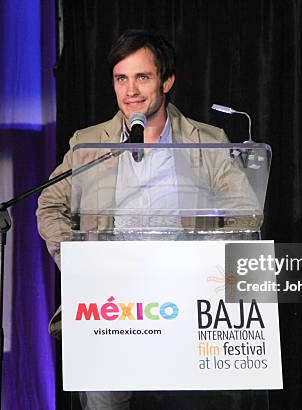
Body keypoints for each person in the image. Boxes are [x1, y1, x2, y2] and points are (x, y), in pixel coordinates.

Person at [36, 30, 257, 410]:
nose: (131, 91)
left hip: (183, 306)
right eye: (121, 78)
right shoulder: (89, 143)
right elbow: (49, 206)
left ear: (166, 81)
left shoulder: (207, 141)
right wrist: (77, 262)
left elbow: (245, 212)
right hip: (110, 306)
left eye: (143, 77)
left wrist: (205, 264)